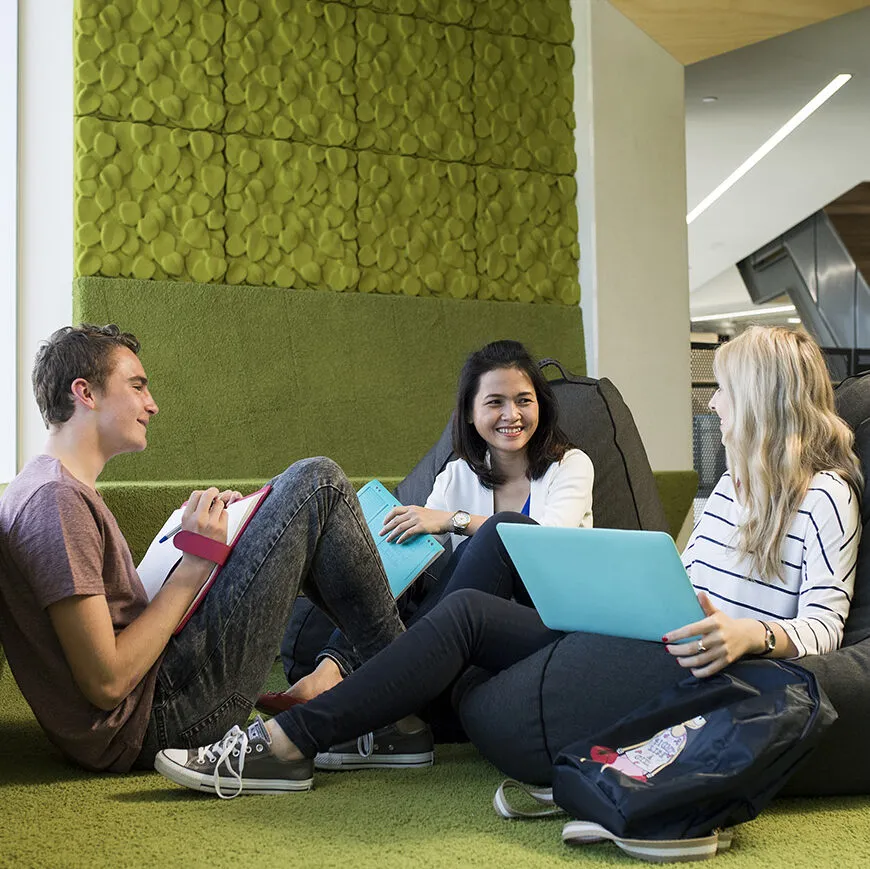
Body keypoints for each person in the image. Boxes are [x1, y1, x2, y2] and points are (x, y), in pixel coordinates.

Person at [154, 326, 863, 798]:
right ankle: (347, 721)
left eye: (727, 393)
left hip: (699, 659)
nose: (715, 409)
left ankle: (284, 741)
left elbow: (826, 626)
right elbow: (677, 578)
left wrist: (750, 634)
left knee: (489, 545)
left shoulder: (829, 496)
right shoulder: (728, 490)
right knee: (462, 603)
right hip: (647, 631)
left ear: (765, 403)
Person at [0, 324, 409, 776]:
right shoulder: (55, 502)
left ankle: (396, 696)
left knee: (298, 504)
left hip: (152, 698)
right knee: (320, 482)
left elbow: (118, 622)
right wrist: (195, 561)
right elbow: (107, 682)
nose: (151, 404)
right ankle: (407, 697)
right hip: (154, 720)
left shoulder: (41, 488)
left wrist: (218, 536)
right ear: (86, 393)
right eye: (137, 386)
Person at [261, 339, 594, 717]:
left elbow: (548, 541)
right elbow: (416, 553)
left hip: (539, 619)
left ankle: (358, 681)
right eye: (495, 402)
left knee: (489, 539)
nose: (511, 414)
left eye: (523, 400)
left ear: (541, 405)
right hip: (463, 628)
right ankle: (331, 670)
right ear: (470, 413)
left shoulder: (571, 465)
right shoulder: (458, 473)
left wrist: (456, 521)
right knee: (406, 544)